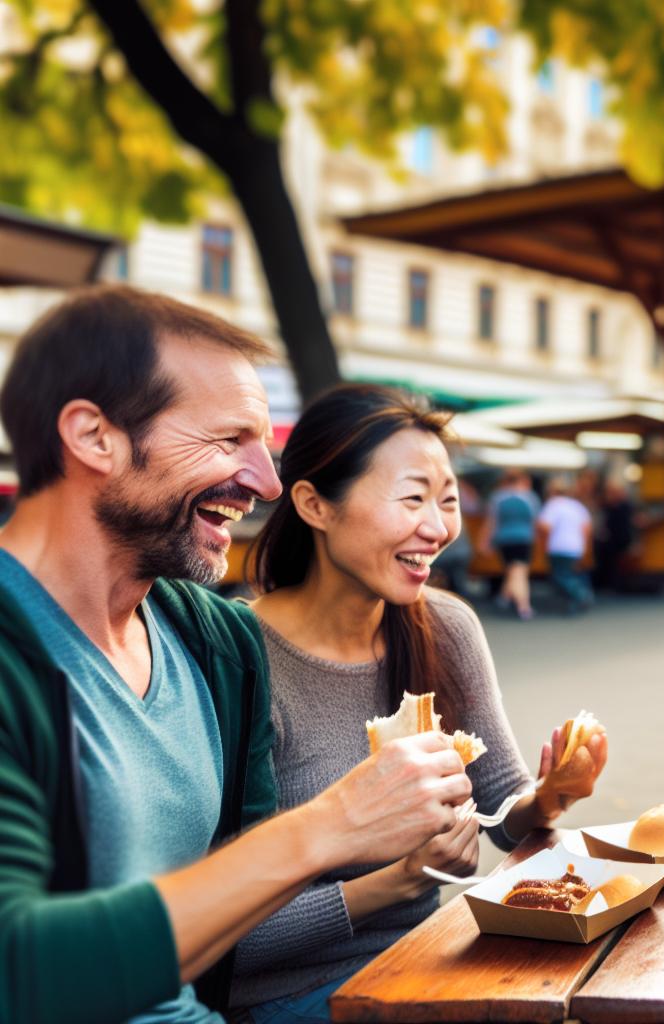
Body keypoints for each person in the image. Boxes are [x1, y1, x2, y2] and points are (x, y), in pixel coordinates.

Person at [0, 286, 468, 1022]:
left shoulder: (219, 642)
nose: (267, 482)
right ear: (94, 436)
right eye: (229, 441)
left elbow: (236, 915)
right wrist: (331, 824)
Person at [234, 385, 606, 1020]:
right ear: (314, 504)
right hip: (282, 998)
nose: (438, 529)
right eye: (412, 499)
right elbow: (222, 935)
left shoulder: (445, 626)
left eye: (449, 501)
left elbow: (503, 807)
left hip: (421, 964)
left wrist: (549, 796)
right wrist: (399, 881)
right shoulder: (241, 657)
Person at [481, 468, 539, 618]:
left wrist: (485, 542)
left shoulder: (497, 497)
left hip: (504, 539)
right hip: (524, 538)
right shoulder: (530, 497)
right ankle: (524, 606)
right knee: (519, 572)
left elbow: (491, 522)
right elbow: (535, 521)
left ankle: (504, 597)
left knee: (512, 570)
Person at [538, 474, 595, 614]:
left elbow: (544, 527)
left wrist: (543, 544)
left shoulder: (553, 505)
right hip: (576, 547)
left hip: (558, 546)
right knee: (570, 574)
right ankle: (574, 599)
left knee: (561, 576)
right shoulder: (577, 506)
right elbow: (587, 528)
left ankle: (581, 594)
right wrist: (585, 547)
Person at [592, 477, 637, 593]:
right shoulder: (610, 506)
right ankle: (606, 583)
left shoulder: (625, 506)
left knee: (611, 559)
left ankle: (611, 584)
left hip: (621, 539)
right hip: (612, 539)